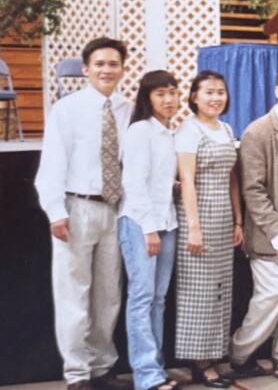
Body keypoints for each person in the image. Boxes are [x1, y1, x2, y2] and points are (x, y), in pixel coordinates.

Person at [34, 37, 133, 390]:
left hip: (114, 211)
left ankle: (102, 368)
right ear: (86, 69)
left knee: (109, 296)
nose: (107, 70)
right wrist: (56, 212)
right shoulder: (67, 109)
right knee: (74, 294)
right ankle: (77, 374)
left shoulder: (127, 109)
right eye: (100, 64)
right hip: (76, 209)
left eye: (114, 64)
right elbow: (51, 167)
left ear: (123, 69)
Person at [227, 66, 278, 381]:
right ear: (277, 91)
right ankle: (238, 353)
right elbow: (253, 190)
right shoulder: (257, 131)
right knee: (272, 294)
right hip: (269, 235)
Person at [174, 70, 243, 389]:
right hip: (198, 215)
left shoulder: (226, 128)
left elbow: (232, 178)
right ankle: (200, 362)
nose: (216, 98)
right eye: (209, 92)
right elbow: (186, 179)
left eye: (221, 92)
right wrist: (193, 227)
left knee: (219, 292)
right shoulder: (189, 130)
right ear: (194, 97)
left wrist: (238, 220)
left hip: (224, 218)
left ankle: (215, 354)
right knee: (198, 293)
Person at [119, 70, 182, 390]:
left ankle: (156, 367)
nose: (169, 99)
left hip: (167, 222)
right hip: (141, 224)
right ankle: (146, 375)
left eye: (172, 92)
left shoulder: (170, 133)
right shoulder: (140, 131)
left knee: (158, 299)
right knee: (142, 298)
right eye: (161, 94)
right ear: (147, 98)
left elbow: (158, 179)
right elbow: (133, 184)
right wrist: (148, 230)